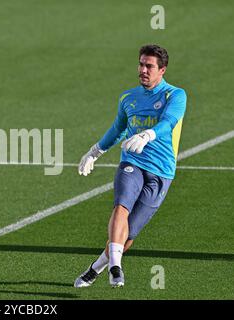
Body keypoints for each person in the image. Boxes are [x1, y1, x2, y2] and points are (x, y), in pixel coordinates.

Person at [74, 44, 187, 288]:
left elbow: (169, 122)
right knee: (121, 206)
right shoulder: (128, 97)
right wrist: (95, 152)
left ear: (162, 70)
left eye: (149, 66)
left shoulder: (175, 95)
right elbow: (118, 128)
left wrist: (148, 135)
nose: (143, 70)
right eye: (141, 64)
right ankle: (116, 266)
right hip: (132, 161)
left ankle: (96, 268)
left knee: (131, 231)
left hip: (162, 170)